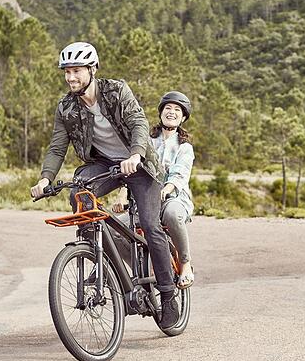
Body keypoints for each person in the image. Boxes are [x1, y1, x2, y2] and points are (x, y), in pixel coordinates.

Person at [29, 41, 180, 329]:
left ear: (92, 69)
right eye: (66, 72)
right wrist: (45, 178)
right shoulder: (66, 107)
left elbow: (138, 123)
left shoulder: (116, 90)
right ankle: (100, 259)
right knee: (78, 193)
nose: (70, 77)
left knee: (150, 225)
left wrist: (135, 154)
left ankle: (168, 294)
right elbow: (57, 147)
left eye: (76, 71)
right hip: (104, 166)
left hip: (140, 165)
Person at [115, 91, 196, 289]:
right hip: (143, 200)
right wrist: (122, 194)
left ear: (183, 117)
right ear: (160, 112)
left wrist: (165, 189)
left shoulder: (184, 147)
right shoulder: (146, 142)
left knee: (171, 215)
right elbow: (132, 169)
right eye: (168, 108)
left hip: (172, 198)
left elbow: (179, 175)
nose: (172, 112)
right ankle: (141, 268)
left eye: (177, 110)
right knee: (114, 229)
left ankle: (185, 264)